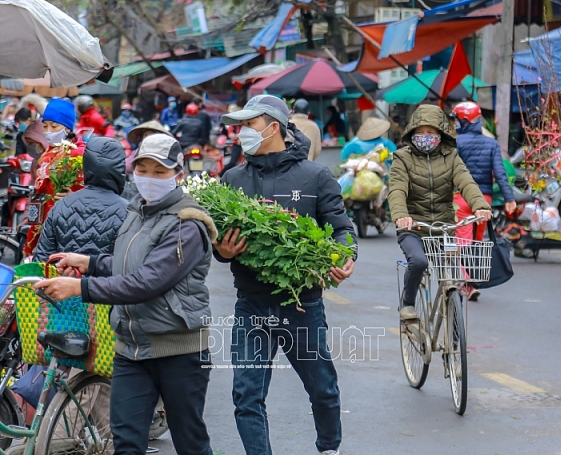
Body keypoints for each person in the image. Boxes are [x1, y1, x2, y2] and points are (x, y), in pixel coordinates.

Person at [35, 133, 217, 455]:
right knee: (127, 443)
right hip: (132, 349)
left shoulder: (186, 224)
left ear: (179, 174)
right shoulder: (136, 213)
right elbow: (126, 265)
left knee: (190, 442)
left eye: (160, 171)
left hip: (177, 350)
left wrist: (80, 287)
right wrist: (89, 263)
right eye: (143, 169)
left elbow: (146, 282)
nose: (149, 178)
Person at [216, 94, 356, 455]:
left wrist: (344, 254)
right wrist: (222, 250)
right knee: (246, 395)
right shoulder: (231, 180)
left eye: (249, 124)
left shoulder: (315, 176)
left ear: (273, 127)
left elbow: (342, 228)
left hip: (301, 305)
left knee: (322, 388)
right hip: (251, 306)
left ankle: (329, 448)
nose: (242, 132)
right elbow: (215, 242)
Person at [389, 104, 491, 321]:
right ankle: (407, 303)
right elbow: (397, 188)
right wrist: (401, 216)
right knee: (419, 262)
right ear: (412, 132)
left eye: (431, 132)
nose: (425, 136)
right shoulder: (402, 158)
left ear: (440, 134)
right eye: (421, 132)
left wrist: (480, 205)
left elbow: (466, 182)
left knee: (455, 281)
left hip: (444, 229)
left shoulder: (451, 157)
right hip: (413, 228)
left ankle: (453, 348)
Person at [452, 102, 516, 300]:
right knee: (477, 242)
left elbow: (449, 172)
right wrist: (509, 198)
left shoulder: (456, 142)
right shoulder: (492, 144)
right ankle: (473, 280)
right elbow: (500, 174)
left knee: (463, 241)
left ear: (463, 120)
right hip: (484, 201)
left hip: (461, 199)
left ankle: (466, 282)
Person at [33, 137, 128, 262]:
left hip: (61, 280)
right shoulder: (128, 212)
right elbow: (129, 267)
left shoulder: (61, 206)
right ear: (120, 169)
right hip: (105, 282)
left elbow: (42, 258)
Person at [23, 99, 86, 256]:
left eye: (54, 126)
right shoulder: (47, 154)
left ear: (67, 128)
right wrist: (30, 226)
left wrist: (74, 197)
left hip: (69, 223)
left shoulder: (79, 154)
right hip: (44, 220)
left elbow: (90, 191)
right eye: (45, 126)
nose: (49, 131)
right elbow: (39, 194)